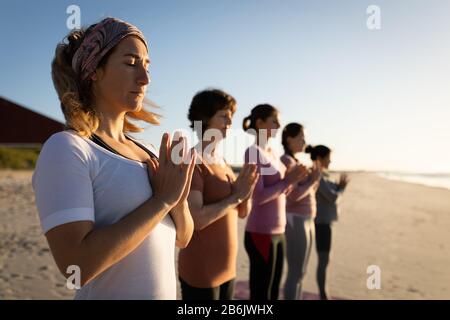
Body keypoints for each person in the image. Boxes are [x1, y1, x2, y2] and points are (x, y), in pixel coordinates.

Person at [32, 17, 196, 299]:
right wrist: (162, 201)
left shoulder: (149, 151)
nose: (144, 78)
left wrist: (178, 202)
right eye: (131, 63)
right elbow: (75, 267)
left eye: (146, 66)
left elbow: (183, 237)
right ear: (94, 70)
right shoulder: (68, 148)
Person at [178, 89, 258, 300]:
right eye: (223, 115)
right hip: (201, 272)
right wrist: (236, 197)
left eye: (231, 115)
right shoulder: (192, 162)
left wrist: (246, 191)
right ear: (204, 119)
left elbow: (241, 212)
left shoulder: (223, 163)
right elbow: (197, 218)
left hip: (228, 270)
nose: (230, 120)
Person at [242, 105, 308, 300]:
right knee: (261, 294)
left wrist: (293, 180)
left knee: (273, 292)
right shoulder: (252, 152)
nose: (279, 125)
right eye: (274, 120)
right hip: (260, 232)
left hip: (279, 231)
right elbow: (258, 197)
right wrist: (288, 180)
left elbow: (282, 191)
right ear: (260, 123)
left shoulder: (271, 151)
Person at [281, 123, 321, 300]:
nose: (305, 141)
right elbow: (293, 195)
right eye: (301, 137)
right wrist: (313, 180)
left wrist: (314, 179)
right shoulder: (286, 161)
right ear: (290, 139)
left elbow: (308, 190)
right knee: (295, 272)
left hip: (307, 219)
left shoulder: (296, 161)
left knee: (302, 272)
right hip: (295, 219)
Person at [308, 144, 348, 300]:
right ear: (320, 158)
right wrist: (342, 189)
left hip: (324, 224)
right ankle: (323, 295)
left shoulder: (323, 175)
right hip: (321, 225)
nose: (330, 161)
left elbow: (331, 193)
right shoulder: (317, 175)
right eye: (328, 158)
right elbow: (333, 197)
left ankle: (324, 294)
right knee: (324, 261)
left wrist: (338, 187)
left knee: (325, 261)